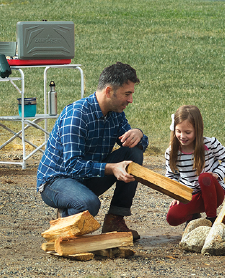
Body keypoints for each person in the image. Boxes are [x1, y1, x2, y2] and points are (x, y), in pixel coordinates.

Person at [36, 62, 148, 240]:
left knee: (133, 153)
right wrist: (112, 168)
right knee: (89, 203)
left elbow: (134, 144)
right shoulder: (77, 115)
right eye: (127, 94)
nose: (130, 100)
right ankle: (65, 219)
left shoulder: (116, 113)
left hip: (87, 177)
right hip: (57, 180)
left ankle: (115, 220)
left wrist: (139, 134)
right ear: (109, 91)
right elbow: (73, 167)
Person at [163, 105, 225, 227]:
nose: (182, 136)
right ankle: (193, 215)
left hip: (213, 193)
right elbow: (171, 176)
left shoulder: (210, 144)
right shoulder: (172, 152)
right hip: (190, 195)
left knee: (205, 178)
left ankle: (212, 218)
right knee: (172, 218)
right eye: (178, 131)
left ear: (197, 130)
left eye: (188, 132)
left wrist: (217, 174)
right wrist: (176, 194)